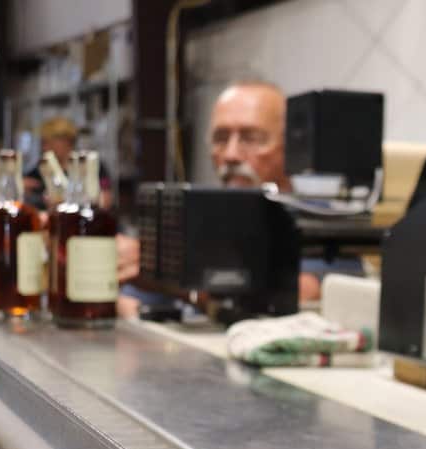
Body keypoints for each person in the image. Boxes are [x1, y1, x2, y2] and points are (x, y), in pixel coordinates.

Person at [117, 81, 319, 318]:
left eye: (251, 138)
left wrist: (164, 267)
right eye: (221, 138)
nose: (231, 155)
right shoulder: (198, 223)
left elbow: (303, 292)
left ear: (291, 148)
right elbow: (135, 304)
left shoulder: (321, 223)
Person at [23, 116, 114, 210]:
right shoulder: (41, 170)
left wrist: (68, 200)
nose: (44, 148)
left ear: (67, 141)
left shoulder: (91, 165)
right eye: (43, 143)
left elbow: (105, 201)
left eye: (49, 142)